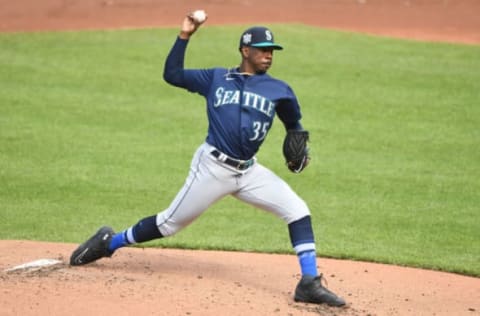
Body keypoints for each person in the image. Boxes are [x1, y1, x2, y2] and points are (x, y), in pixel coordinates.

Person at [70, 11, 346, 307]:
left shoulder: (280, 90)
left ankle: (308, 282)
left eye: (272, 51)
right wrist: (185, 35)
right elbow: (172, 75)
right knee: (168, 224)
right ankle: (109, 242)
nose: (268, 55)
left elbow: (294, 125)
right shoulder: (215, 78)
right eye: (263, 50)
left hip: (250, 173)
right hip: (212, 168)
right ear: (245, 51)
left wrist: (299, 149)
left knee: (298, 210)